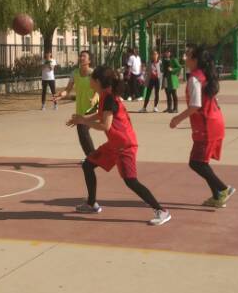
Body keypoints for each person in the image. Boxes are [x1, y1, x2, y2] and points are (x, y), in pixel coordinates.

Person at [67, 65, 171, 226]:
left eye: (91, 78)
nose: (89, 81)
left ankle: (161, 210)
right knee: (88, 165)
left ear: (98, 81)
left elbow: (105, 125)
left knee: (131, 181)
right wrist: (83, 118)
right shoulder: (105, 95)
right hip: (114, 144)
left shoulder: (109, 98)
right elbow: (101, 115)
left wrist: (84, 121)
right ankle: (91, 204)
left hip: (124, 145)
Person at [170, 46, 233, 207]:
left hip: (207, 125)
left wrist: (177, 119)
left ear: (195, 60)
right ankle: (217, 197)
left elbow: (195, 105)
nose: (185, 58)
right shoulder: (204, 75)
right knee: (202, 162)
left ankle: (223, 189)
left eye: (188, 55)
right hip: (213, 122)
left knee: (196, 163)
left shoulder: (195, 79)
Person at [56, 49, 98, 155]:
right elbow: (68, 89)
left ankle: (92, 157)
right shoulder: (74, 73)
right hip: (80, 107)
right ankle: (92, 156)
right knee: (82, 132)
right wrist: (62, 94)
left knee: (82, 129)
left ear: (89, 61)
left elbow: (98, 89)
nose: (81, 58)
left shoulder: (93, 73)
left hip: (92, 107)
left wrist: (94, 98)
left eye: (84, 56)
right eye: (80, 56)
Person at [161, 47, 181, 113]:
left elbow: (179, 67)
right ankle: (169, 108)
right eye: (166, 52)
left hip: (172, 79)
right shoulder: (164, 59)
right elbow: (162, 68)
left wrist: (172, 69)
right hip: (166, 78)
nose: (166, 53)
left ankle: (175, 108)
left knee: (173, 93)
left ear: (170, 53)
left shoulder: (174, 59)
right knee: (168, 93)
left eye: (168, 52)